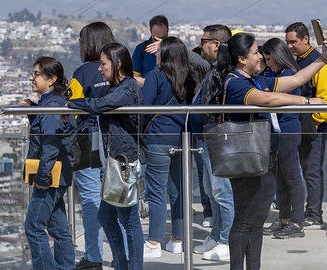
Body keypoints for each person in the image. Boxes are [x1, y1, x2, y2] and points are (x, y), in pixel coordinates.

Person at [213, 32, 327, 269]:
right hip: (247, 160)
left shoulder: (253, 79)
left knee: (255, 222)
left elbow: (296, 80)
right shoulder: (235, 82)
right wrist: (306, 103)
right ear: (241, 59)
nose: (261, 57)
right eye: (256, 53)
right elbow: (266, 100)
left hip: (262, 158)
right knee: (244, 221)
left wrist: (323, 58)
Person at [67, 42, 144, 270]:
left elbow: (102, 104)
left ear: (118, 64)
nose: (99, 69)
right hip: (116, 161)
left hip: (124, 162)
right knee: (107, 217)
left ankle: (132, 266)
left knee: (129, 221)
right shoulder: (118, 87)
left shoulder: (127, 88)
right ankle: (123, 263)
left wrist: (72, 103)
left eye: (103, 64)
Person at [141, 36, 196, 258]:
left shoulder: (155, 76)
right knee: (178, 191)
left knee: (156, 192)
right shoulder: (190, 78)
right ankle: (178, 239)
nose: (155, 54)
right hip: (182, 138)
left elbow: (144, 108)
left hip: (157, 138)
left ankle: (154, 242)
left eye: (159, 51)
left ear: (166, 55)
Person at [68, 21, 116, 270]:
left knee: (90, 200)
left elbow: (73, 109)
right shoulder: (119, 71)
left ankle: (94, 256)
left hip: (87, 141)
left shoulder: (81, 73)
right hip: (117, 139)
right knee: (118, 198)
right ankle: (123, 255)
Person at [24, 56, 77, 270]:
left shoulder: (52, 106)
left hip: (50, 174)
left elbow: (51, 144)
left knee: (34, 225)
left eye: (36, 74)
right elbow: (47, 131)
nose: (31, 78)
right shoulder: (50, 103)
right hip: (58, 173)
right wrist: (32, 111)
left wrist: (43, 178)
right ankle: (66, 267)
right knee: (58, 228)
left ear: (52, 79)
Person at [190, 24, 234, 262]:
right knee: (211, 190)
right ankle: (217, 235)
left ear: (216, 44)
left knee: (222, 191)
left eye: (203, 41)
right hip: (206, 139)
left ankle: (227, 240)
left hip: (217, 139)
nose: (200, 46)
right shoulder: (213, 70)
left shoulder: (223, 71)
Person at [285, 22, 327, 230]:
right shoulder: (303, 61)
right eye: (287, 42)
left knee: (312, 170)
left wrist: (315, 121)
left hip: (312, 126)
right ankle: (309, 211)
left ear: (306, 39)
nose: (290, 46)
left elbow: (325, 97)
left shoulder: (316, 62)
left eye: (293, 42)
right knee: (305, 170)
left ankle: (314, 213)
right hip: (303, 123)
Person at [260, 37, 306, 239]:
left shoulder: (287, 76)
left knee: (292, 177)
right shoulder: (275, 73)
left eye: (269, 59)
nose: (267, 63)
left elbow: (269, 92)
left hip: (288, 129)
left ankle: (297, 221)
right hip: (277, 130)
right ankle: (285, 217)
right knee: (281, 178)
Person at [132, 14, 169, 88]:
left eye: (163, 38)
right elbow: (134, 78)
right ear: (150, 31)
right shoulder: (141, 49)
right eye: (156, 39)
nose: (159, 42)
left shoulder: (175, 49)